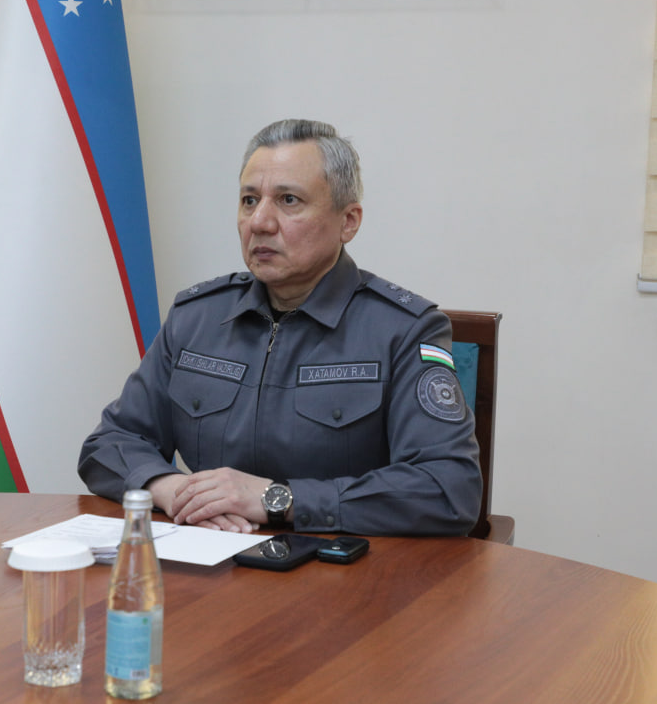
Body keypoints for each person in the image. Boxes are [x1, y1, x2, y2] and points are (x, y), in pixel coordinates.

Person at [78, 119, 482, 537]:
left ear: (348, 221)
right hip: (211, 557)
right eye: (249, 200)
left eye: (289, 200)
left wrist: (278, 500)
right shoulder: (196, 317)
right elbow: (108, 443)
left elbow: (449, 489)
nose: (260, 222)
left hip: (342, 565)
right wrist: (175, 490)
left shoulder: (404, 330)